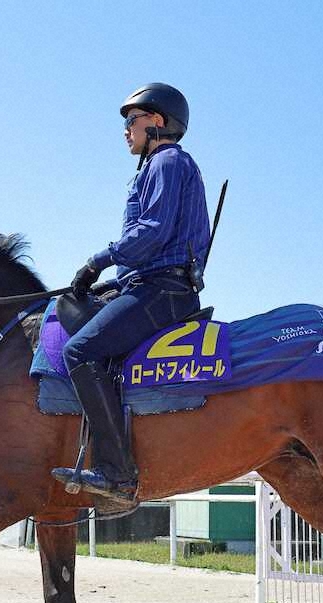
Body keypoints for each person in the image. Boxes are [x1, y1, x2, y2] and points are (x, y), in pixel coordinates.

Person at [51, 83, 211, 505]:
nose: (125, 130)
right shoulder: (160, 165)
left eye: (131, 120)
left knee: (80, 351)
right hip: (149, 283)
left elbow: (152, 232)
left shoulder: (167, 161)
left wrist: (96, 262)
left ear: (156, 121)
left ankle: (117, 472)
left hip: (162, 289)